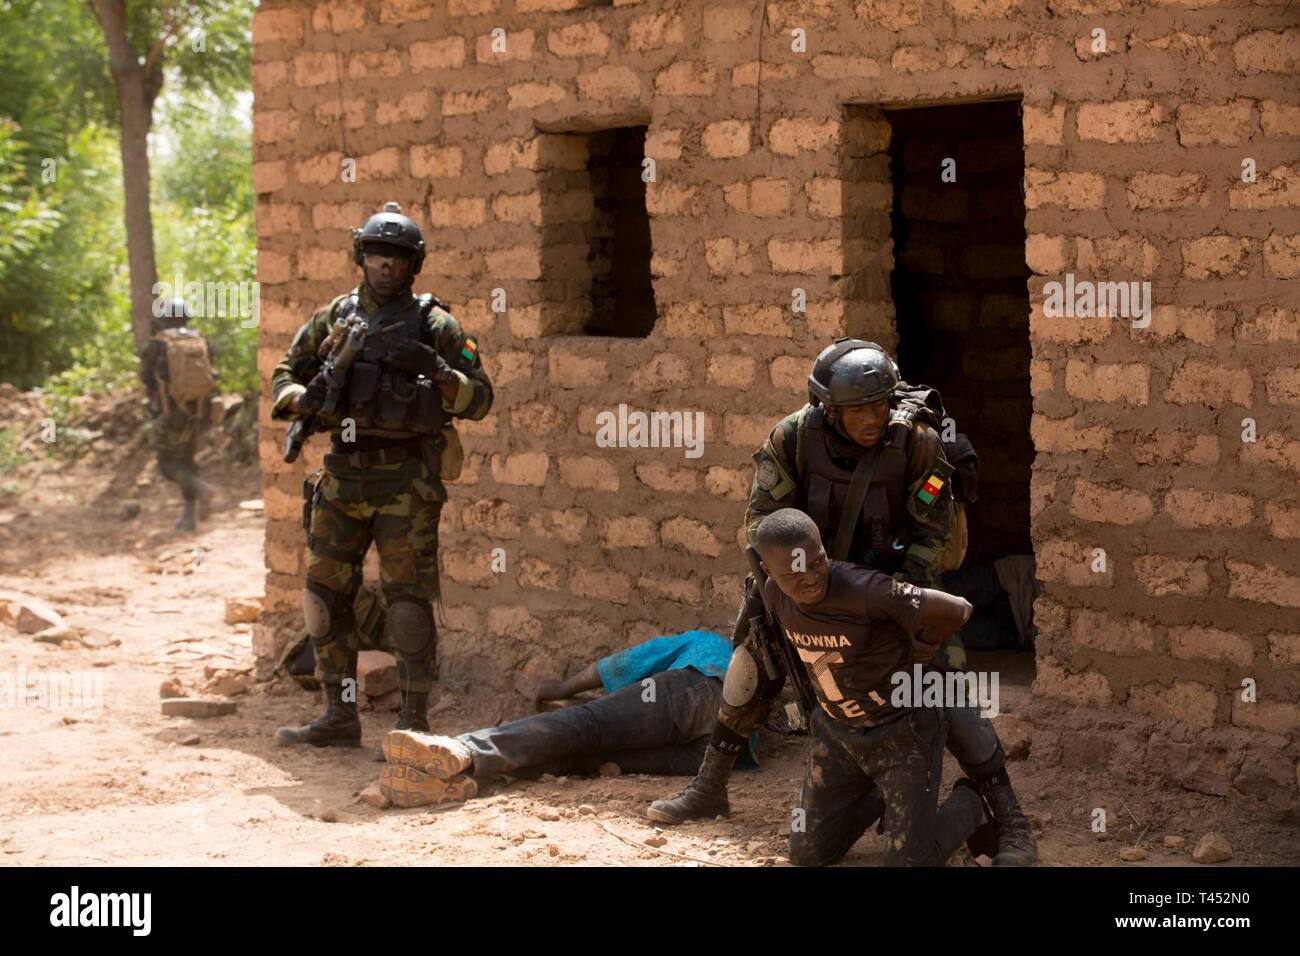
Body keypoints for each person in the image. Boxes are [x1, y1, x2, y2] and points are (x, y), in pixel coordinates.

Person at [649, 338, 1037, 867]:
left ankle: (1008, 818)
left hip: (885, 593)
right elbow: (760, 519)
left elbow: (933, 536)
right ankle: (710, 786)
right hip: (805, 585)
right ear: (828, 410)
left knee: (944, 687)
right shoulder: (793, 436)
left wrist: (894, 601)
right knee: (748, 671)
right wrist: (791, 578)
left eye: (880, 406)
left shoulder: (916, 442)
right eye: (859, 411)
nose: (873, 419)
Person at [270, 202, 493, 751]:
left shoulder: (435, 324)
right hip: (343, 479)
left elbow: (480, 399)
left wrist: (438, 372)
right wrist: (306, 400)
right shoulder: (333, 318)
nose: (385, 266)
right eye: (375, 255)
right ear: (360, 257)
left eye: (396, 257)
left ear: (413, 264)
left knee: (408, 600)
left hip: (406, 483)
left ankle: (413, 718)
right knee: (324, 596)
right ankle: (338, 713)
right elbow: (284, 373)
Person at [753, 508, 992, 866]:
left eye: (817, 562)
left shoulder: (868, 591)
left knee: (910, 862)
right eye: (793, 573)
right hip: (838, 736)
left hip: (901, 732)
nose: (811, 578)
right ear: (769, 572)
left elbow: (960, 608)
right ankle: (885, 796)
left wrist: (926, 643)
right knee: (807, 854)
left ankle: (971, 804)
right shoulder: (773, 594)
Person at [377, 630, 758, 808]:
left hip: (699, 689)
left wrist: (559, 688)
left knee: (586, 725)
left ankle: (463, 749)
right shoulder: (755, 670)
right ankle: (465, 780)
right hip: (725, 749)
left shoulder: (707, 644)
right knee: (587, 759)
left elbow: (620, 665)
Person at [141, 299, 216, 531]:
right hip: (200, 410)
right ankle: (188, 518)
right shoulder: (200, 339)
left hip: (171, 411)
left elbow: (145, 377)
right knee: (188, 460)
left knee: (167, 463)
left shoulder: (158, 344)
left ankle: (201, 489)